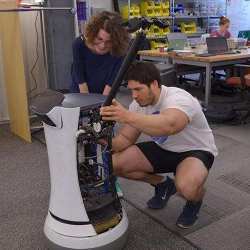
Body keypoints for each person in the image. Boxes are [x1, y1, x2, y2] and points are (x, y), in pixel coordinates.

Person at [100, 62, 218, 228]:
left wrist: (126, 116)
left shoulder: (178, 98)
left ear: (154, 84)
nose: (133, 95)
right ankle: (163, 184)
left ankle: (195, 201)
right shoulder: (138, 106)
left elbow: (170, 125)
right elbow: (125, 140)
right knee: (114, 164)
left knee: (187, 187)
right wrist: (98, 136)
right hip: (164, 149)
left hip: (195, 150)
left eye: (138, 89)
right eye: (131, 89)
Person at [70, 11, 129, 95]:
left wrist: (103, 104)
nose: (102, 46)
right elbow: (79, 76)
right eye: (99, 39)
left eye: (109, 41)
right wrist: (86, 102)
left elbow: (112, 81)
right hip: (80, 91)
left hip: (106, 92)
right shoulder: (79, 44)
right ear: (92, 34)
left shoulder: (119, 50)